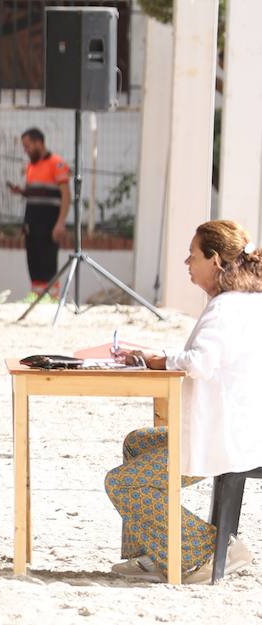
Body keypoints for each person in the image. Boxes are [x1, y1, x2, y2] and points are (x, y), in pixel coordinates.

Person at [106, 220, 262, 583]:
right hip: (241, 429)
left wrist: (163, 359)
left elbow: (201, 362)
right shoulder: (249, 302)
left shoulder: (226, 308)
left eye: (193, 257)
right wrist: (166, 357)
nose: (186, 264)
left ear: (216, 261)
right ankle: (154, 554)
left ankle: (215, 548)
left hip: (222, 437)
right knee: (137, 442)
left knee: (122, 483)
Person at [6, 128, 70, 296]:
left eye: (27, 146)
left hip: (49, 226)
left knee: (48, 265)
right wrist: (21, 191)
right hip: (32, 226)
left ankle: (51, 299)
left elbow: (66, 195)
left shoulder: (57, 164)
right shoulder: (31, 166)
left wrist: (60, 223)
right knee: (33, 266)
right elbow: (38, 192)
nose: (25, 150)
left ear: (39, 143)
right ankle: (37, 299)